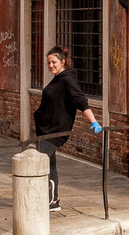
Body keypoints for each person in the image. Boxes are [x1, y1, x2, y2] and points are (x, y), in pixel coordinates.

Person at [34, 47, 101, 212]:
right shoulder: (58, 78)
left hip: (54, 130)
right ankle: (53, 201)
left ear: (63, 62)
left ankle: (47, 201)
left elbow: (80, 100)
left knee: (40, 164)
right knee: (50, 165)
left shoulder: (67, 79)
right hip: (45, 129)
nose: (50, 65)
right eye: (48, 62)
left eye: (54, 62)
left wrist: (93, 122)